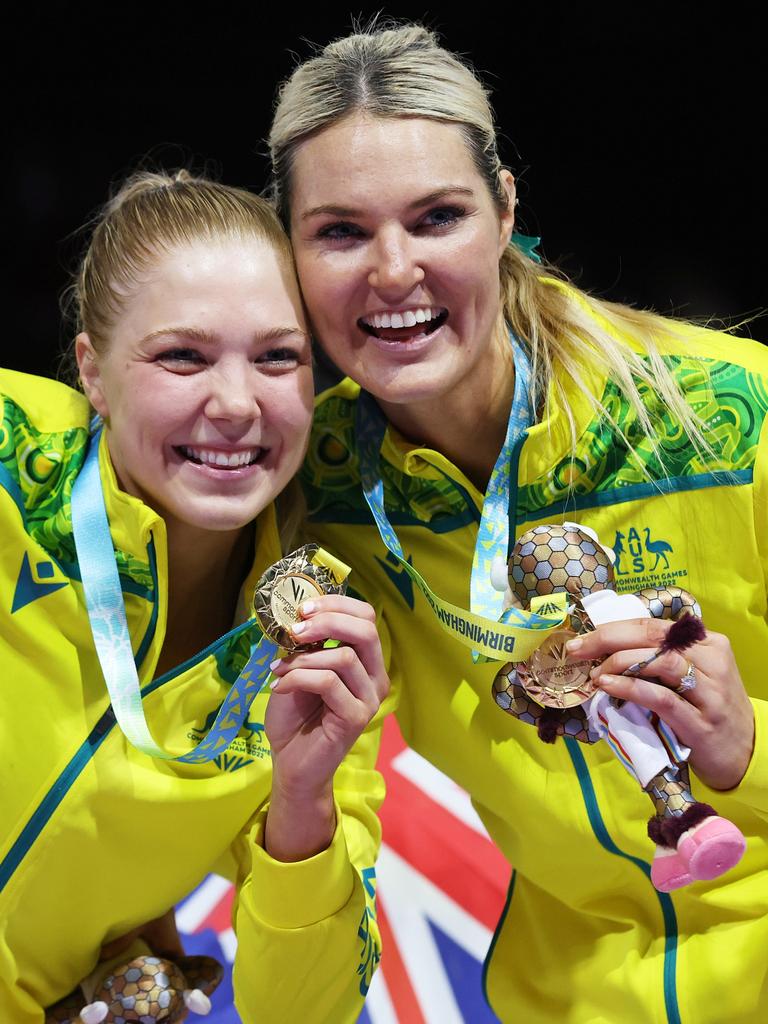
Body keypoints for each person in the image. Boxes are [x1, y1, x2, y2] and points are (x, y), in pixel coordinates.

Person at [267, 23, 768, 1024]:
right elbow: (301, 981)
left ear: (503, 212)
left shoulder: (726, 417)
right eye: (340, 231)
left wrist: (748, 752)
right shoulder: (310, 504)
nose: (393, 269)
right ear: (289, 251)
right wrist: (297, 820)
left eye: (437, 215)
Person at [0, 170, 390, 1023]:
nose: (236, 403)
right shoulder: (9, 458)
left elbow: (302, 1010)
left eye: (278, 358)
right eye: (183, 355)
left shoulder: (323, 647)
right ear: (92, 372)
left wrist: (301, 802)